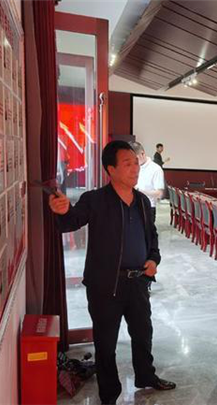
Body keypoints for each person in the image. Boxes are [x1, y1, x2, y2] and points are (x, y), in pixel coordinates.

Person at [48, 141, 176, 404]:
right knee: (105, 344)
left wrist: (154, 259)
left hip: (138, 281)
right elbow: (70, 221)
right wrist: (62, 211)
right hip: (105, 285)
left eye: (136, 163)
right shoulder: (94, 200)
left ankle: (146, 376)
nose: (135, 169)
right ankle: (109, 393)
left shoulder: (142, 201)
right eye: (127, 164)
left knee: (143, 335)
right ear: (111, 169)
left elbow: (151, 236)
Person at [130, 141, 165, 221]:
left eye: (135, 159)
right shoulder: (133, 167)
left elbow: (159, 194)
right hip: (131, 207)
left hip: (147, 208)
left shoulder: (155, 169)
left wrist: (139, 191)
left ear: (142, 154)